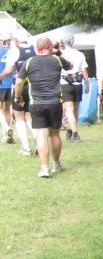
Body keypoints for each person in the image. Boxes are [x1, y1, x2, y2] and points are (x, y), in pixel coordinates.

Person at [14, 37, 72, 178]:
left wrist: (17, 97)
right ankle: (56, 164)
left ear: (36, 48)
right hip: (55, 102)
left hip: (37, 103)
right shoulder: (57, 59)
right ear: (50, 46)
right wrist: (57, 52)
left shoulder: (29, 62)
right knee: (55, 134)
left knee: (41, 134)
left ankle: (44, 168)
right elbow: (70, 66)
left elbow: (19, 82)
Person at [1, 31, 36, 155]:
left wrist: (0, 77)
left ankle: (26, 148)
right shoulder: (35, 49)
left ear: (16, 41)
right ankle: (38, 141)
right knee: (29, 117)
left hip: (19, 86)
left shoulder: (14, 51)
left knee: (19, 116)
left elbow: (8, 71)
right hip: (34, 87)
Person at [58, 34, 90, 142]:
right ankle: (71, 130)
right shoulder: (80, 54)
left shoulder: (61, 54)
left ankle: (75, 134)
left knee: (69, 110)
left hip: (65, 83)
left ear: (63, 42)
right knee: (75, 110)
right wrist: (87, 85)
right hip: (78, 84)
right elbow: (84, 71)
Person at [0, 32, 13, 143]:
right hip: (10, 84)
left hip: (1, 82)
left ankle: (6, 127)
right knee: (7, 110)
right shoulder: (12, 51)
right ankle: (5, 135)